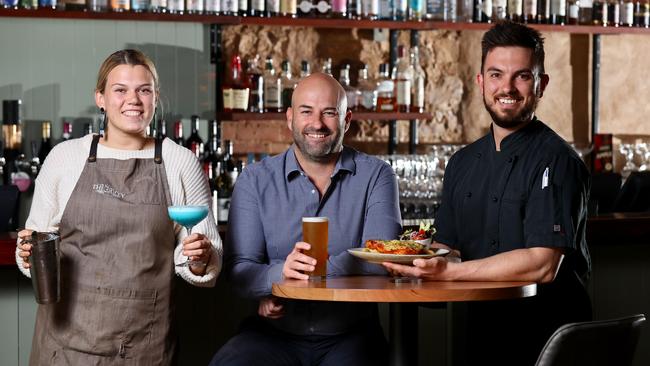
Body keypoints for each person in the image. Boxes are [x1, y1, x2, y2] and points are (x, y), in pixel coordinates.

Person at [384, 21, 592, 365]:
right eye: (495, 75)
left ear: (541, 85)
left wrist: (449, 272)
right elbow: (447, 246)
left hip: (547, 341)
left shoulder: (556, 160)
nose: (506, 87)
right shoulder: (462, 163)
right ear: (481, 82)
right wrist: (408, 260)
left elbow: (542, 264)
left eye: (521, 76)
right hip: (479, 336)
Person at [16, 49, 222, 365]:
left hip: (144, 346)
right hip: (66, 347)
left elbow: (204, 263)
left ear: (155, 98)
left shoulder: (180, 162)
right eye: (120, 90)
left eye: (144, 90)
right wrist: (27, 252)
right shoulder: (64, 158)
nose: (134, 100)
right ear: (100, 98)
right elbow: (36, 250)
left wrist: (201, 257)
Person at [209, 72, 401, 366]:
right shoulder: (254, 181)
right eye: (306, 111)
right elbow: (239, 272)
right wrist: (280, 273)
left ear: (347, 120)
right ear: (289, 118)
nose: (317, 124)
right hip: (271, 336)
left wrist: (295, 279)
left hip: (351, 336)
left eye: (329, 113)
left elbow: (381, 258)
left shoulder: (377, 175)